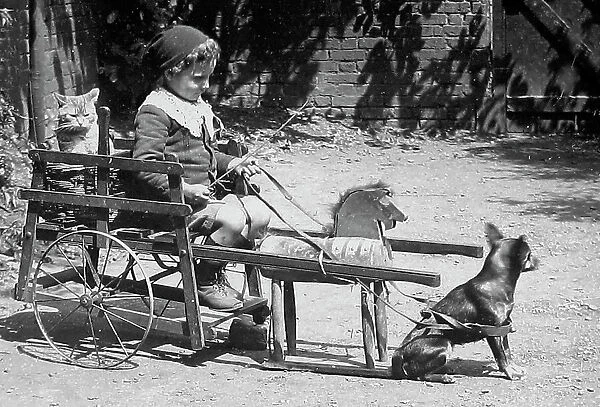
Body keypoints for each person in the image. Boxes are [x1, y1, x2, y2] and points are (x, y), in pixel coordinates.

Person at [132, 25, 271, 310]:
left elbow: (205, 155)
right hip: (169, 205)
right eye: (198, 78)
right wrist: (183, 189)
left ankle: (215, 270)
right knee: (233, 221)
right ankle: (205, 278)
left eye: (208, 77)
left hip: (201, 200)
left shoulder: (194, 107)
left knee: (259, 215)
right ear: (170, 72)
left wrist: (233, 162)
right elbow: (145, 166)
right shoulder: (155, 111)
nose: (206, 86)